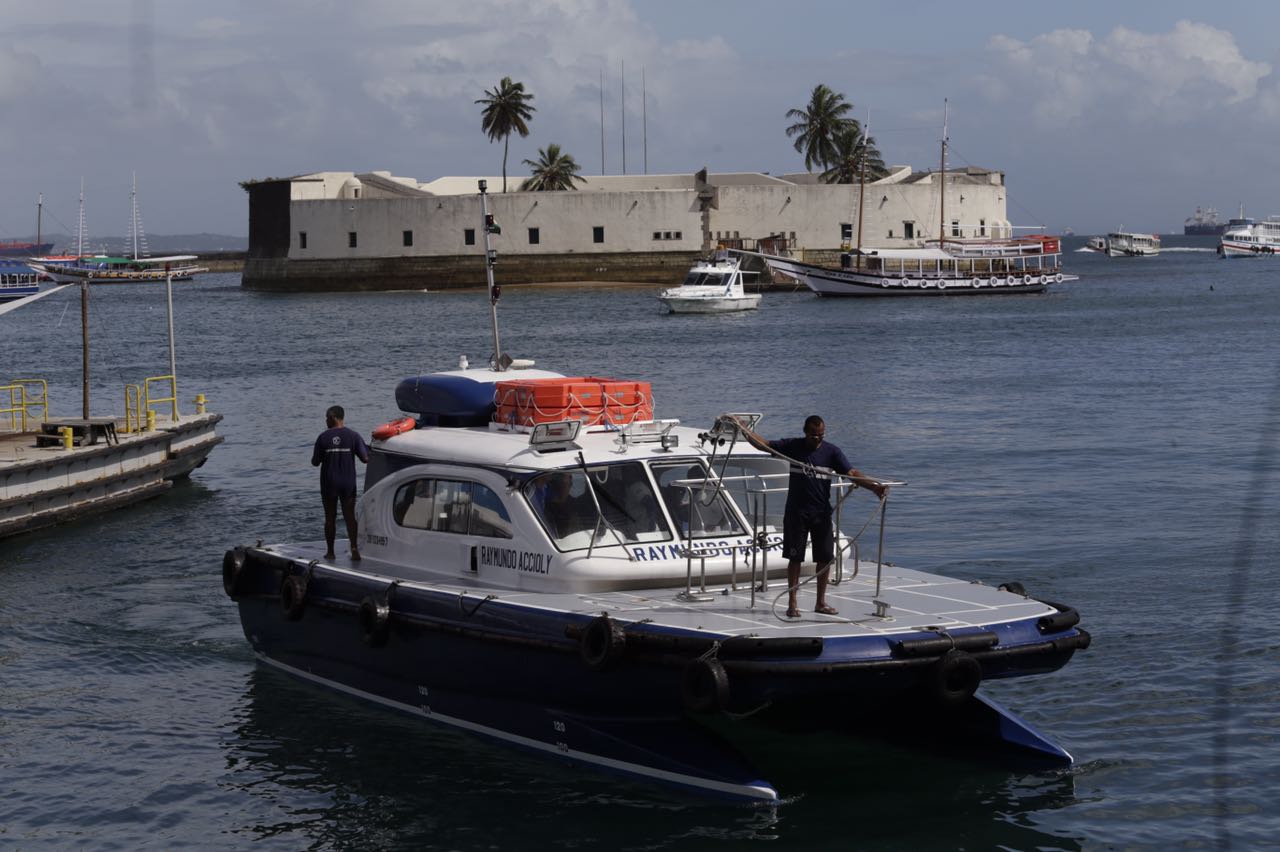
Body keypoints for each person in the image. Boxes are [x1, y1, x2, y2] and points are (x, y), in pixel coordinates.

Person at [734, 414, 885, 618]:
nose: (818, 439)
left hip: (821, 513)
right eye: (814, 435)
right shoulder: (793, 446)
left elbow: (852, 473)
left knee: (824, 558)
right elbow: (764, 445)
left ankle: (820, 602)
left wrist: (874, 488)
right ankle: (792, 603)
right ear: (805, 432)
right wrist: (743, 429)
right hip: (796, 512)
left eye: (821, 435)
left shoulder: (832, 452)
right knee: (795, 558)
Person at [311, 405, 370, 561]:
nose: (325, 420)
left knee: (330, 517)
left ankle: (330, 552)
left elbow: (315, 462)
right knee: (350, 516)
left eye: (326, 417)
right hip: (347, 482)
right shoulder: (354, 436)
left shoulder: (323, 437)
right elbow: (365, 459)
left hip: (329, 483)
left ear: (333, 417)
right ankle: (354, 549)